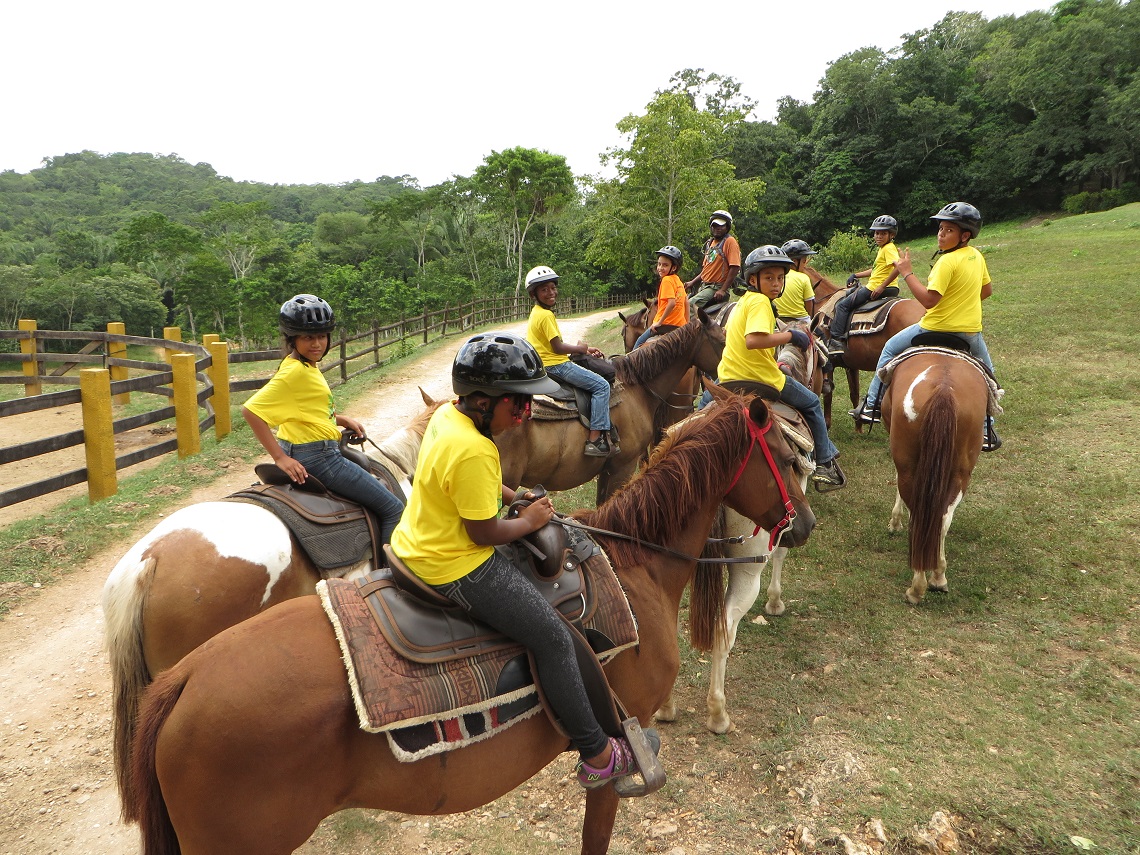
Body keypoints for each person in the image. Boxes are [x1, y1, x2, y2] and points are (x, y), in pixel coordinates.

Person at [389, 332, 646, 790]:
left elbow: (470, 486)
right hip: (454, 563)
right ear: (484, 401)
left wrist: (515, 496)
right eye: (519, 403)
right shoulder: (476, 448)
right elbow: (483, 531)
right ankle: (599, 753)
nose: (527, 413)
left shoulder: (450, 418)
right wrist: (527, 521)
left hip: (417, 541)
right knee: (552, 638)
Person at [242, 293, 404, 542]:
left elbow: (306, 408)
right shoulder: (295, 373)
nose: (317, 343)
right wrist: (280, 458)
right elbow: (251, 411)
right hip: (321, 458)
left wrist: (339, 419)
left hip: (306, 446)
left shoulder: (300, 364)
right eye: (308, 337)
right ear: (292, 339)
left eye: (321, 336)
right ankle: (392, 574)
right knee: (394, 509)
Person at [852, 202, 1002, 451]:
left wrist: (907, 272)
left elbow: (929, 301)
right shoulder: (977, 256)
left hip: (934, 328)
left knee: (889, 349)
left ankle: (872, 405)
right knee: (989, 372)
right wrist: (961, 304)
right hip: (969, 331)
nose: (941, 234)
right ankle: (987, 429)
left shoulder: (946, 262)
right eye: (940, 228)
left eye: (949, 230)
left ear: (965, 235)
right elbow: (986, 291)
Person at [717, 245, 846, 490]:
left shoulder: (743, 302)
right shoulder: (760, 303)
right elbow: (753, 340)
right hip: (759, 379)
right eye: (769, 278)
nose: (776, 283)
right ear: (753, 279)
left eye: (779, 278)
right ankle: (825, 463)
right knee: (811, 402)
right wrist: (790, 337)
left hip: (727, 377)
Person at [524, 265, 618, 457]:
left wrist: (583, 349)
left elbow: (552, 345)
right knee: (601, 386)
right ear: (534, 294)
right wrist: (581, 348)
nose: (551, 293)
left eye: (552, 287)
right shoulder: (546, 315)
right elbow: (557, 348)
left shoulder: (536, 312)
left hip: (545, 363)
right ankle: (595, 439)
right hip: (556, 365)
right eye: (544, 289)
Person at [828, 215, 901, 356]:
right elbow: (875, 270)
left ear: (891, 235)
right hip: (883, 286)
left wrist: (881, 286)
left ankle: (836, 340)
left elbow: (898, 267)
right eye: (876, 233)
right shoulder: (883, 249)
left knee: (842, 305)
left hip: (877, 287)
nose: (878, 236)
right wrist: (856, 275)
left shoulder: (888, 249)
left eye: (883, 233)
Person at [634, 245, 689, 348]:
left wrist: (659, 322)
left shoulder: (666, 280)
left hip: (665, 325)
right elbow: (686, 302)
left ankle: (630, 364)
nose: (660, 268)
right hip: (679, 326)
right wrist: (687, 324)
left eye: (665, 265)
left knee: (638, 343)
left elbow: (671, 303)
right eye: (659, 264)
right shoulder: (678, 281)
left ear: (674, 267)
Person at [686, 210, 741, 310]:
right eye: (714, 225)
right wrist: (692, 282)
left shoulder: (730, 242)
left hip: (715, 288)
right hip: (704, 287)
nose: (717, 228)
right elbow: (706, 270)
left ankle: (692, 326)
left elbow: (735, 267)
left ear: (727, 227)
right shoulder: (711, 243)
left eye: (721, 226)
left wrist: (723, 290)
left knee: (688, 305)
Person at [774, 239, 818, 323]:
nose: (805, 265)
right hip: (801, 319)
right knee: (821, 335)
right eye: (804, 261)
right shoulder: (803, 278)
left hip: (777, 319)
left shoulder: (777, 277)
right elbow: (809, 306)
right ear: (794, 262)